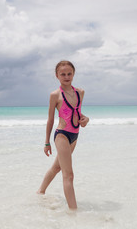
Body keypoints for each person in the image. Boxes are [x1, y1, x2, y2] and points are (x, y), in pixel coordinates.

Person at [37, 60, 89, 210]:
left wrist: (86, 119)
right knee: (69, 175)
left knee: (57, 168)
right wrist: (47, 142)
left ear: (73, 74)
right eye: (63, 74)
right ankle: (74, 212)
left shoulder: (80, 92)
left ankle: (40, 192)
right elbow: (51, 119)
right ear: (57, 76)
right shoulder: (55, 95)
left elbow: (77, 113)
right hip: (62, 135)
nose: (66, 77)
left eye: (69, 74)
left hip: (75, 135)